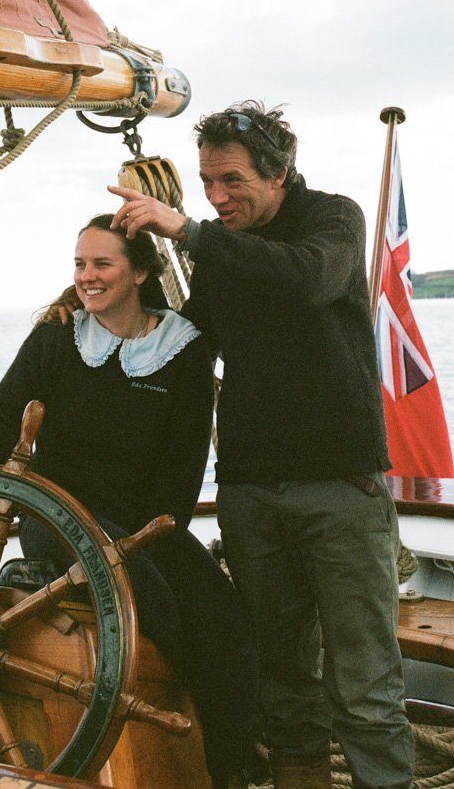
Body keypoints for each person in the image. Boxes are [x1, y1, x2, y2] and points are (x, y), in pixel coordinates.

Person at [106, 101, 416, 789]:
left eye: (231, 182)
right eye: (206, 183)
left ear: (279, 174)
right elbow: (186, 347)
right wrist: (102, 305)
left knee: (363, 687)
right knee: (281, 685)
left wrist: (187, 230)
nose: (216, 197)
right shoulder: (223, 246)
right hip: (249, 494)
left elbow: (304, 280)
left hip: (340, 490)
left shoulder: (332, 221)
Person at [0, 213, 260, 789]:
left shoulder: (184, 350)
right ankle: (163, 750)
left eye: (102, 264)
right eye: (80, 264)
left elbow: (183, 471)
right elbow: (7, 423)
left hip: (149, 527)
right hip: (56, 521)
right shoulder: (56, 337)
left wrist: (156, 536)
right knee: (155, 604)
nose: (87, 276)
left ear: (139, 272)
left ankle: (228, 765)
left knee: (226, 619)